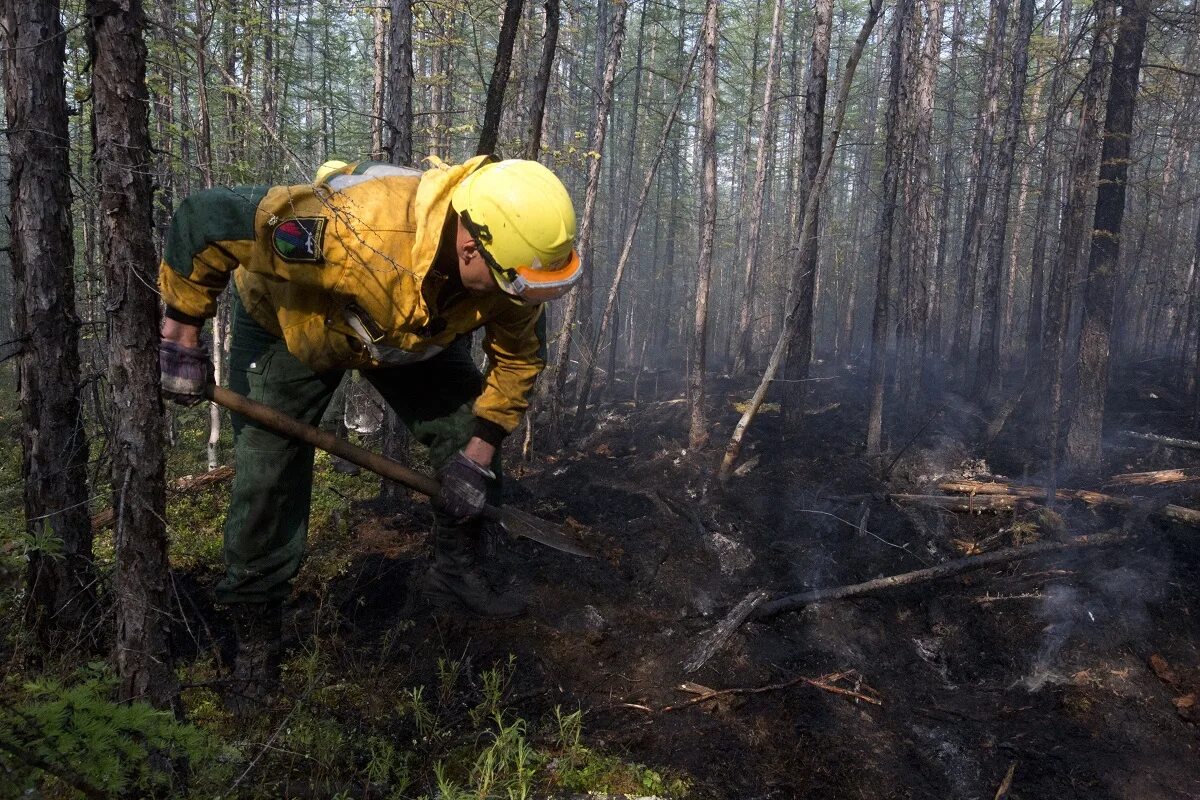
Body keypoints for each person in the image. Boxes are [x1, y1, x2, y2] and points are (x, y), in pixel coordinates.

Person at [157, 155, 580, 707]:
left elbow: (519, 361)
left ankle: (456, 571)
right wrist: (180, 333)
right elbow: (205, 220)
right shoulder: (351, 231)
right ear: (471, 247)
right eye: (518, 286)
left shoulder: (514, 265)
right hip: (293, 327)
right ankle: (256, 631)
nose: (524, 300)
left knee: (469, 438)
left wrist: (475, 458)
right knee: (268, 477)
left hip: (410, 336)